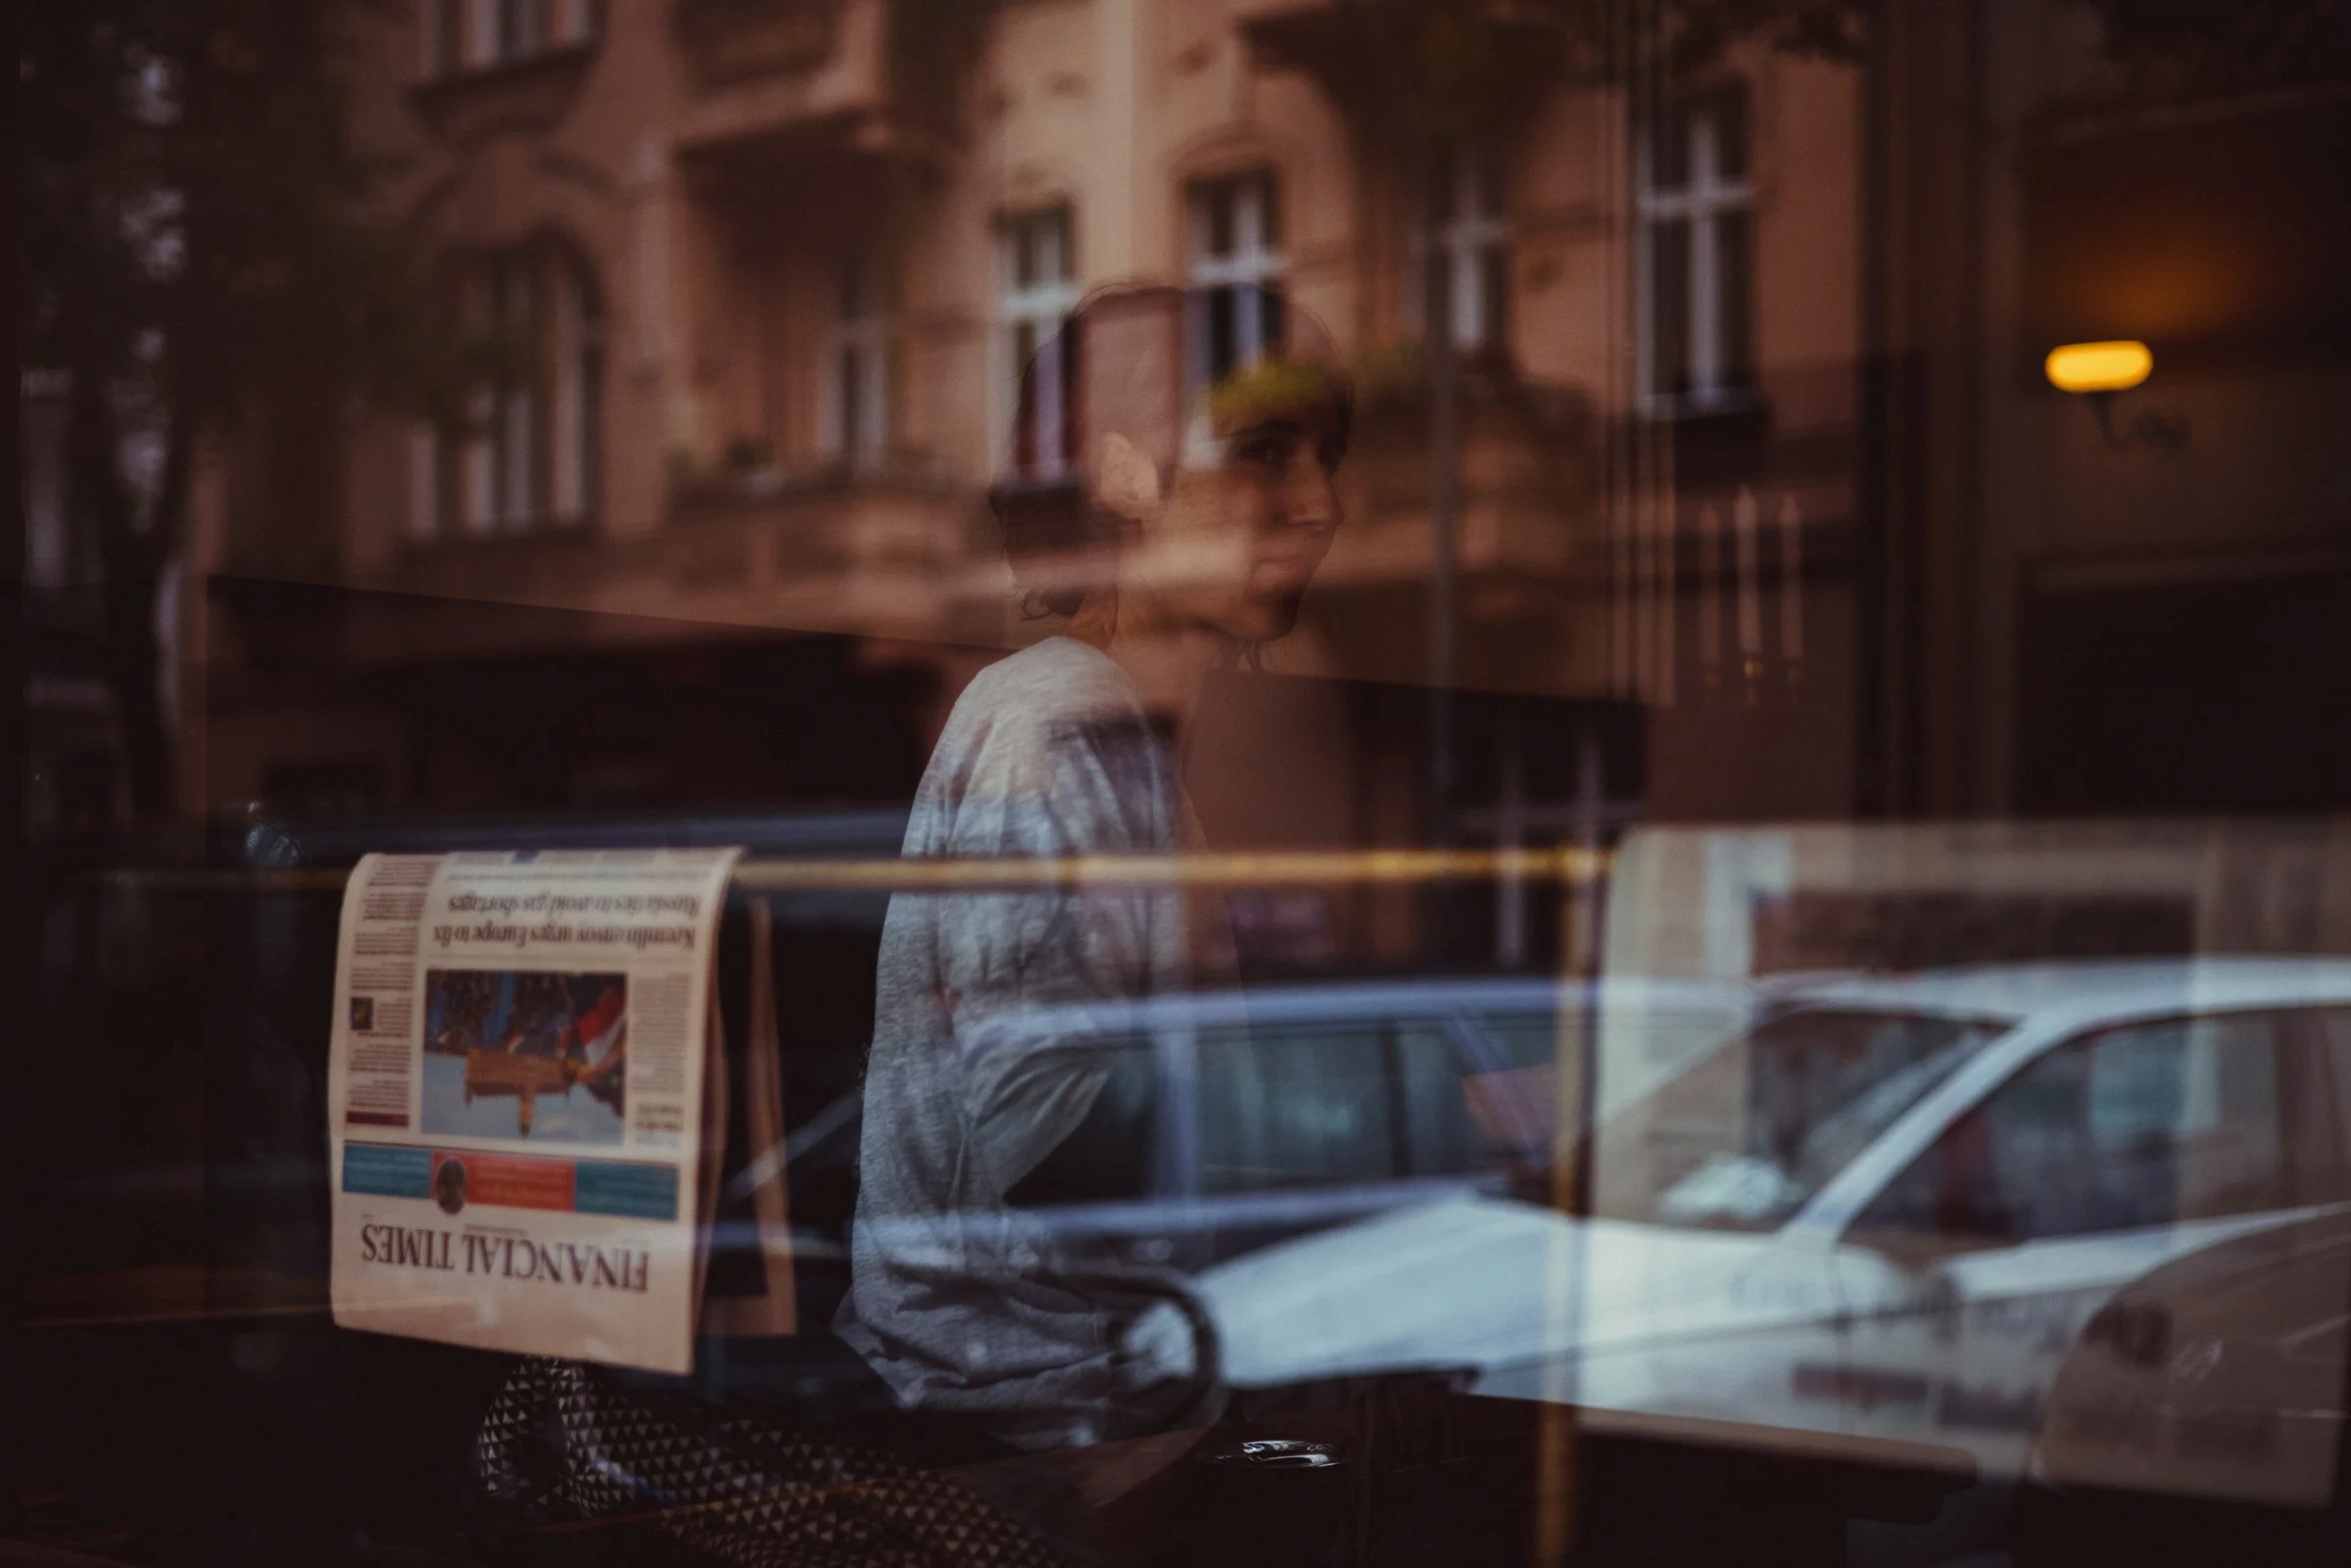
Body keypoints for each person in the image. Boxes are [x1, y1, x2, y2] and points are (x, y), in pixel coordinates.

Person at [838, 283, 1351, 1451]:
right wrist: (1380, 1127)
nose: (1320, 505)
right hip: (1042, 1414)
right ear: (1125, 475)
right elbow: (1049, 1144)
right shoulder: (1062, 723)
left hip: (1071, 1394)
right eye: (1267, 452)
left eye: (1326, 460)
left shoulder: (1105, 725)